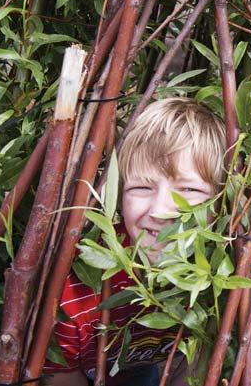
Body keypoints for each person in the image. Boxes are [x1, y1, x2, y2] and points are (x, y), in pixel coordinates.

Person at [42, 98, 226, 386]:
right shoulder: (79, 289)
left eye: (188, 189)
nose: (159, 211)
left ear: (220, 201)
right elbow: (62, 375)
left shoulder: (225, 277)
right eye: (141, 187)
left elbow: (197, 360)